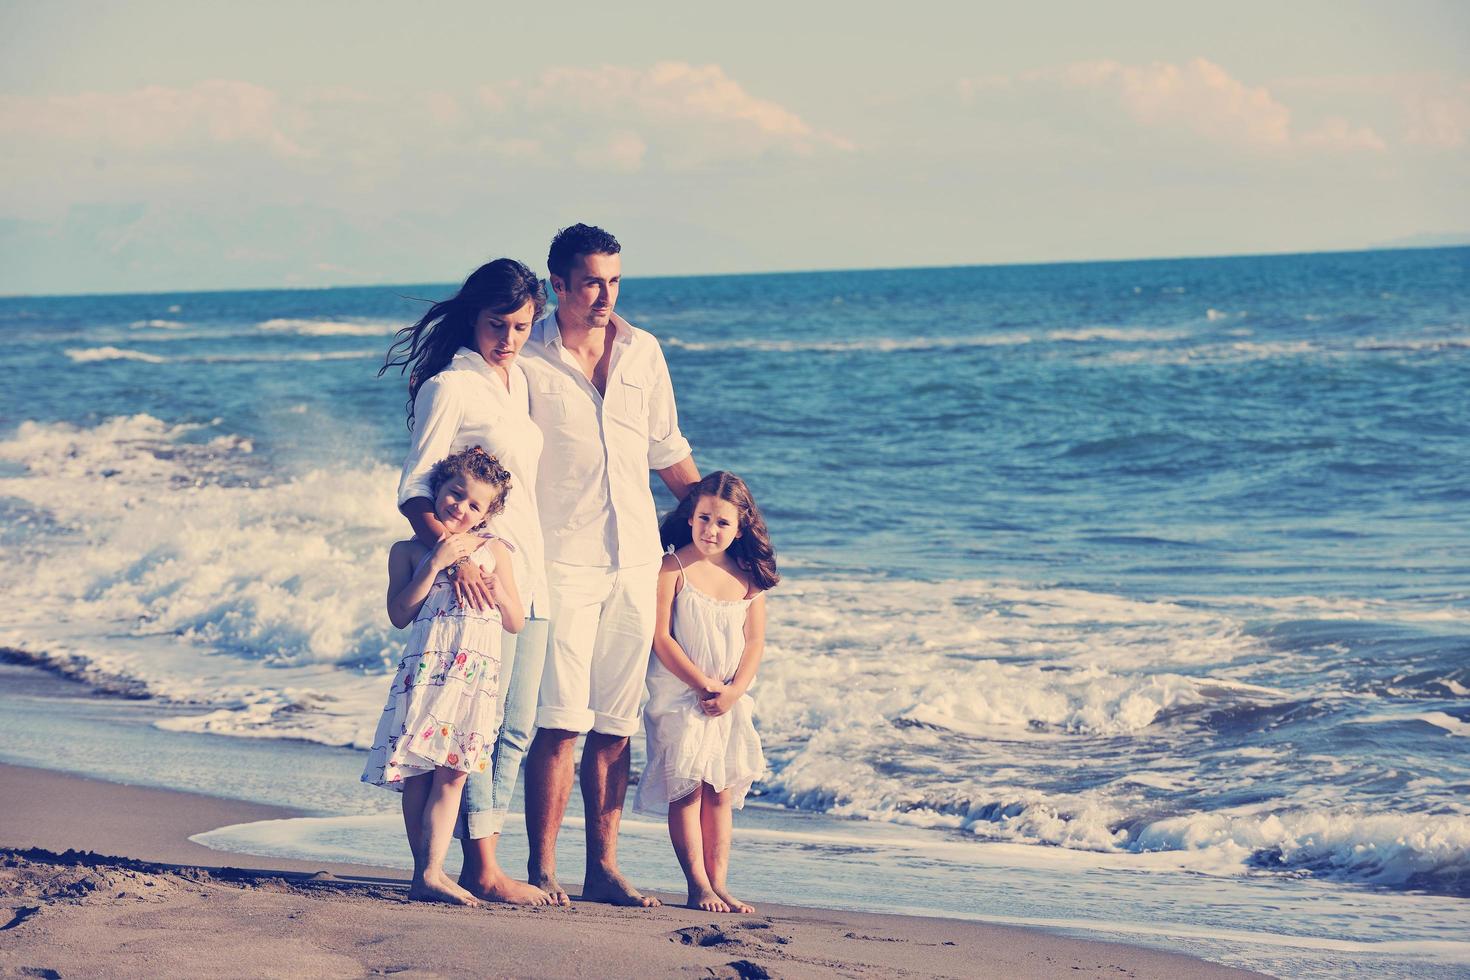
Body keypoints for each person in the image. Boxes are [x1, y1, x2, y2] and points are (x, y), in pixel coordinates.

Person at [520, 223, 700, 906]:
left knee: (616, 726)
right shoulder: (526, 360)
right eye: (591, 281)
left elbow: (667, 449)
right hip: (559, 564)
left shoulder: (643, 353)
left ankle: (603, 869)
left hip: (634, 565)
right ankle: (541, 870)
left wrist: (726, 519)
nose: (605, 295)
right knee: (561, 721)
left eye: (615, 280)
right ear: (557, 285)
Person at [379, 259, 555, 905]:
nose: (508, 338)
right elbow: (414, 488)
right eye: (497, 324)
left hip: (526, 572)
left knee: (516, 727)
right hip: (473, 584)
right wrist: (457, 559)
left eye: (522, 326)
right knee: (473, 729)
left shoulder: (516, 380)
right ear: (473, 316)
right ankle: (481, 864)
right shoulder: (451, 385)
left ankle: (485, 855)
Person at [361, 446, 525, 907]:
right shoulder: (408, 551)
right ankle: (427, 873)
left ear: (487, 514)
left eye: (475, 505)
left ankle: (432, 873)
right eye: (456, 494)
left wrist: (498, 592)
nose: (461, 508)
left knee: (453, 772)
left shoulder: (495, 552)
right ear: (438, 490)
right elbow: (398, 614)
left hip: (474, 678)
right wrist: (434, 563)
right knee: (418, 771)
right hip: (430, 671)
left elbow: (515, 620)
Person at [635, 471, 779, 914]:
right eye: (703, 518)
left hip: (727, 701)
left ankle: (719, 884)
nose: (710, 530)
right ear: (690, 516)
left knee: (720, 791)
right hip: (680, 695)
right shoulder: (673, 567)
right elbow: (662, 638)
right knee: (687, 788)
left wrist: (734, 692)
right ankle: (697, 885)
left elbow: (755, 643)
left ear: (741, 526)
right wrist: (704, 684)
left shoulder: (749, 578)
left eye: (721, 523)